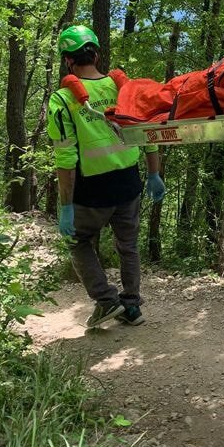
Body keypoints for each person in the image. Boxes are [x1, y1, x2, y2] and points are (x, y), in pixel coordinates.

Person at [47, 25, 166, 328]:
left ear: (67, 61)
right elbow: (145, 133)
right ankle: (132, 307)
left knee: (78, 241)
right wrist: (153, 173)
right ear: (96, 54)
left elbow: (66, 157)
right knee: (129, 245)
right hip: (129, 183)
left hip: (92, 191)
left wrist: (66, 205)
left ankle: (107, 302)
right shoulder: (122, 89)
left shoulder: (62, 100)